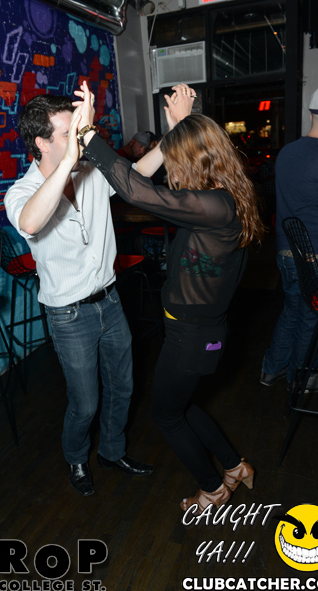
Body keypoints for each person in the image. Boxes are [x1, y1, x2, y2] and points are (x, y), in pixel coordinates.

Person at [74, 80, 265, 513]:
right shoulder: (227, 196)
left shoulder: (215, 205)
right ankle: (235, 466)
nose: (171, 173)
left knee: (166, 415)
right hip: (198, 333)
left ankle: (213, 489)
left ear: (194, 162)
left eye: (175, 163)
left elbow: (136, 190)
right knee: (183, 405)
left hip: (191, 337)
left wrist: (86, 134)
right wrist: (182, 124)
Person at [4, 94, 155, 498]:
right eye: (68, 133)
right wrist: (71, 158)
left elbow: (138, 173)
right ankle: (76, 457)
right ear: (42, 142)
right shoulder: (21, 192)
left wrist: (175, 134)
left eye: (78, 129)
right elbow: (31, 223)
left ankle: (112, 452)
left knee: (123, 386)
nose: (79, 138)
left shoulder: (91, 172)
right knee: (85, 403)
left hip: (111, 301)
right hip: (69, 316)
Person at [260, 82, 318, 392]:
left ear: (311, 115)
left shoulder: (286, 153)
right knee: (312, 318)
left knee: (292, 311)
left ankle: (271, 369)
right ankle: (301, 378)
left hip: (287, 252)